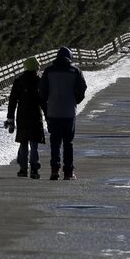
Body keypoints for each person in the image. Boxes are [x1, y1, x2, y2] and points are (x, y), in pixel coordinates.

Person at [40, 47, 87, 180]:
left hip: (53, 111)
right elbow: (82, 88)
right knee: (68, 143)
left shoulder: (49, 71)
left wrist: (47, 107)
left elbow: (42, 91)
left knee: (55, 142)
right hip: (68, 112)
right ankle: (68, 172)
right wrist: (75, 100)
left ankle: (54, 170)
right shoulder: (75, 71)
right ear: (70, 57)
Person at [6, 57, 47, 179]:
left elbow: (12, 101)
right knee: (34, 144)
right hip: (35, 115)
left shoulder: (18, 81)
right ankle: (34, 169)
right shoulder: (39, 81)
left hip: (22, 116)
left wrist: (10, 118)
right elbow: (43, 102)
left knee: (23, 143)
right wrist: (48, 116)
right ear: (35, 68)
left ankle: (23, 169)